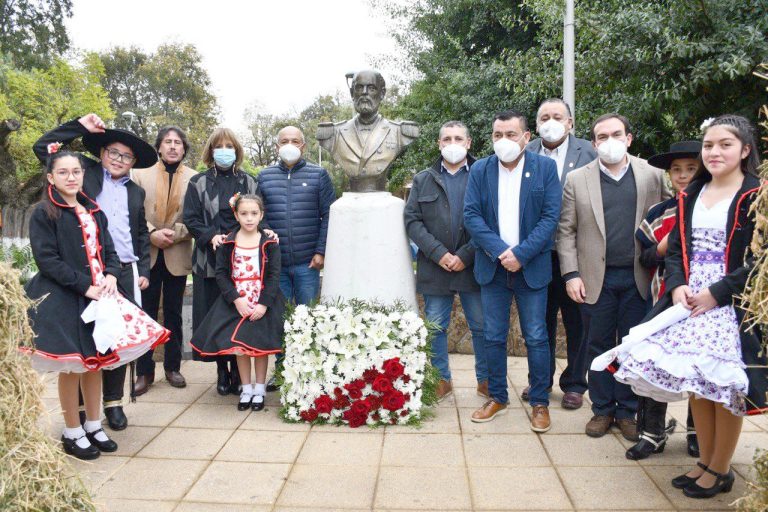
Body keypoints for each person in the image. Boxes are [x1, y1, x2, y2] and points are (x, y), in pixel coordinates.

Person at [601, 115, 766, 498]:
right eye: (709, 145)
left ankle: (721, 469)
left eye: (725, 144)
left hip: (729, 303)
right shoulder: (691, 194)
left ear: (745, 150)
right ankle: (705, 462)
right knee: (699, 386)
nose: (715, 152)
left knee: (722, 388)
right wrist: (676, 286)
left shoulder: (758, 194)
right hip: (689, 300)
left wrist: (718, 292)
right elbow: (676, 251)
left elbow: (761, 259)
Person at [22, 151, 169, 460]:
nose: (71, 177)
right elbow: (47, 259)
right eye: (63, 173)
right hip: (67, 297)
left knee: (97, 362)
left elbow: (111, 251)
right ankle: (72, 431)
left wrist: (113, 275)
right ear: (51, 178)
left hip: (101, 297)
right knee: (73, 367)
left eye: (76, 171)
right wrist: (84, 285)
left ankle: (93, 424)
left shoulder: (94, 210)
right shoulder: (44, 213)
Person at [33, 113, 157, 432]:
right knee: (81, 344)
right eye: (113, 152)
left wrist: (141, 268)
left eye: (126, 156)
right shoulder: (83, 174)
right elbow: (45, 148)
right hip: (81, 272)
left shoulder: (135, 192)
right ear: (101, 154)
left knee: (114, 340)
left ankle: (112, 405)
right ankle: (76, 418)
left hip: (119, 270)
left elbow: (140, 233)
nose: (118, 159)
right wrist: (79, 127)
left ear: (133, 162)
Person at [556, 113, 671, 441]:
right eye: (601, 137)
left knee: (633, 345)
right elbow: (566, 231)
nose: (609, 142)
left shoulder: (652, 175)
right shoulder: (578, 179)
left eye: (616, 134)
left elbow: (668, 220)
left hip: (640, 277)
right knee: (598, 345)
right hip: (595, 279)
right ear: (593, 143)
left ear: (629, 138)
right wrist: (571, 274)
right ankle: (602, 409)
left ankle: (627, 410)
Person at [464, 110, 561, 432]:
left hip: (531, 268)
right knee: (493, 336)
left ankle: (539, 402)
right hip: (493, 269)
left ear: (526, 137)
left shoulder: (544, 168)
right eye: (497, 135)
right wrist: (501, 251)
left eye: (510, 134)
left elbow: (550, 218)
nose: (503, 141)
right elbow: (472, 216)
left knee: (536, 336)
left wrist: (520, 254)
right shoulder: (480, 169)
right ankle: (497, 397)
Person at [626, 141, 701, 460]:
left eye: (691, 168)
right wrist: (661, 248)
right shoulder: (660, 213)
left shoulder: (716, 208)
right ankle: (652, 432)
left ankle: (699, 433)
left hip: (705, 304)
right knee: (654, 363)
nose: (683, 176)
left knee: (700, 367)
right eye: (676, 170)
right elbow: (643, 257)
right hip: (663, 302)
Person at [404, 120, 487, 401]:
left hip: (474, 267)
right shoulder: (423, 179)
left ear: (468, 142)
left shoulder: (484, 174)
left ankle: (486, 380)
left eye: (458, 138)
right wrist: (439, 254)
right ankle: (441, 379)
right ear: (439, 144)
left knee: (481, 327)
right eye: (447, 139)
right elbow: (412, 220)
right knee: (435, 327)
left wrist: (466, 255)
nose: (453, 143)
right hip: (435, 268)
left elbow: (492, 221)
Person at [525, 98, 597, 409]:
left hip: (577, 256)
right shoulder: (525, 153)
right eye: (544, 117)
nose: (550, 121)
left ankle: (575, 384)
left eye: (557, 116)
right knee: (539, 322)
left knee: (577, 322)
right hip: (537, 253)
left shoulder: (589, 153)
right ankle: (540, 379)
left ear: (570, 123)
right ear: (536, 124)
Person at [183, 127, 262, 396]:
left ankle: (242, 376)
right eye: (220, 146)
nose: (225, 151)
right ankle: (222, 370)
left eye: (230, 146)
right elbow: (191, 218)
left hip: (242, 266)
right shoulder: (198, 183)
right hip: (208, 262)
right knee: (216, 319)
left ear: (236, 151)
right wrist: (210, 237)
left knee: (237, 318)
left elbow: (259, 215)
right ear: (211, 151)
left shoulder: (249, 183)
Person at [256, 126, 335, 391]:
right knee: (279, 320)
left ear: (303, 146)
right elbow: (258, 215)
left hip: (307, 264)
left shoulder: (319, 174)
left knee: (308, 318)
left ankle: (310, 370)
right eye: (284, 141)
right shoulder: (265, 177)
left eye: (295, 141)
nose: (289, 144)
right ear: (277, 145)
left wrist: (321, 250)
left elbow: (329, 215)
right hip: (276, 265)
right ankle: (281, 372)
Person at [190, 194, 284, 410]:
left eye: (254, 213)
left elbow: (274, 275)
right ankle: (246, 388)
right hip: (237, 301)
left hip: (261, 300)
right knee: (240, 348)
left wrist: (264, 303)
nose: (249, 218)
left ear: (261, 215)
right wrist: (236, 299)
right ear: (236, 215)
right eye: (244, 214)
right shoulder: (227, 242)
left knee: (260, 348)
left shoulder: (270, 242)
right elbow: (222, 274)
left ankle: (259, 390)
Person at [132, 126, 198, 395]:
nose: (172, 146)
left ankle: (172, 367)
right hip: (147, 255)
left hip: (177, 252)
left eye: (178, 142)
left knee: (173, 313)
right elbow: (132, 213)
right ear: (158, 147)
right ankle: (144, 371)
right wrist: (151, 233)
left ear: (184, 149)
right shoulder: (138, 175)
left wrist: (174, 233)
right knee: (145, 314)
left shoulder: (195, 179)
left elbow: (196, 218)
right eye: (167, 142)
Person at [317, 70, 419, 192]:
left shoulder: (399, 132)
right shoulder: (333, 134)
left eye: (371, 88)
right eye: (359, 88)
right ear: (352, 93)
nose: (364, 93)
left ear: (382, 93)